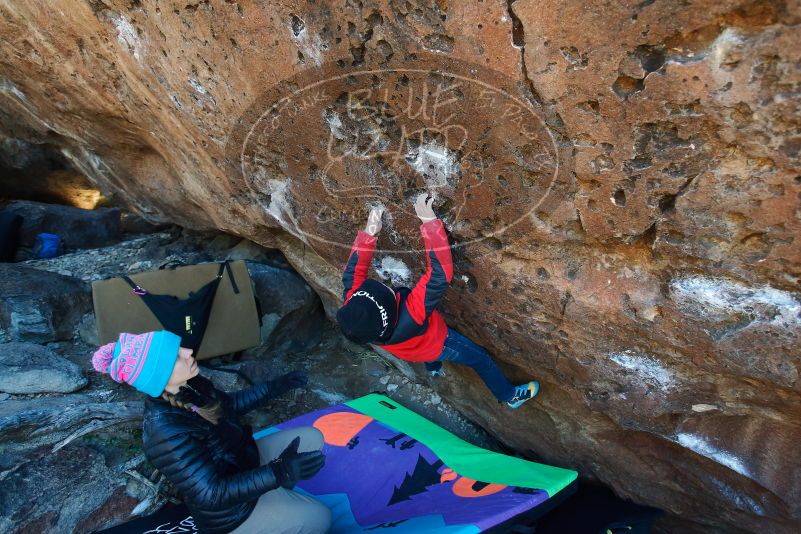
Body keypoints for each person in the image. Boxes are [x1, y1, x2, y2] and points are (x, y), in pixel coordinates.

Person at [92, 331, 331, 534]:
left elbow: (227, 406)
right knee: (321, 518)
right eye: (176, 356)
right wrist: (281, 471)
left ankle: (274, 496)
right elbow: (212, 494)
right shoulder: (165, 434)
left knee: (313, 438)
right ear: (160, 376)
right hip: (232, 512)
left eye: (179, 347)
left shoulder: (189, 384)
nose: (187, 351)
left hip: (242, 463)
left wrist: (273, 387)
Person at [336, 193, 540, 409]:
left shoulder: (356, 309)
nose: (387, 286)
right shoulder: (412, 314)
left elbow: (353, 269)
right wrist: (430, 224)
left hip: (408, 348)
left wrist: (370, 233)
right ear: (391, 313)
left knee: (419, 349)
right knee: (480, 358)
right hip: (439, 342)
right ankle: (509, 396)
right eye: (386, 292)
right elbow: (440, 275)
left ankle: (433, 368)